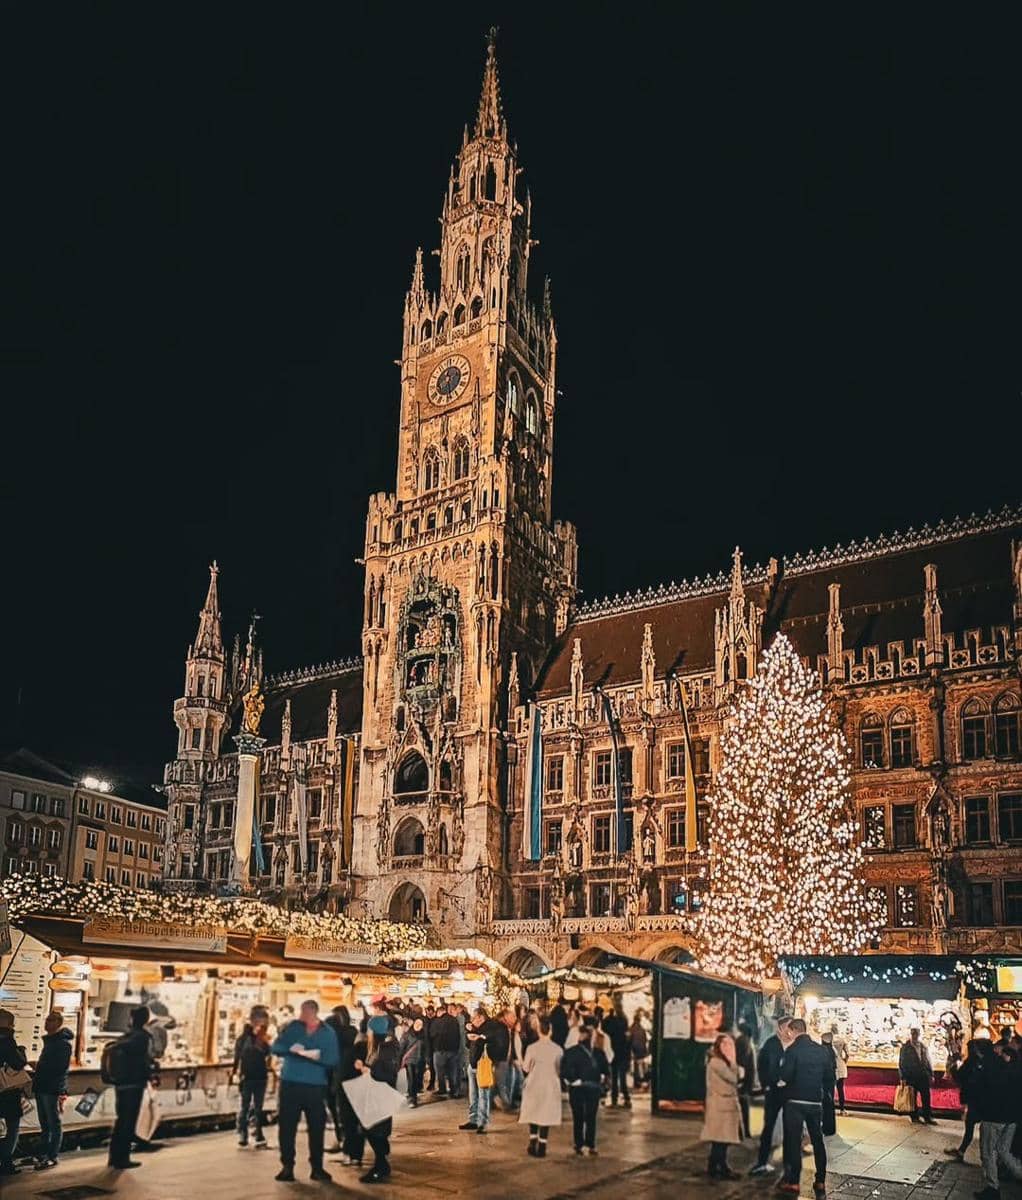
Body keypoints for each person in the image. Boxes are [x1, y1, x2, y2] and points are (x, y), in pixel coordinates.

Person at [270, 998, 339, 1184]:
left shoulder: (328, 1033)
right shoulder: (293, 1028)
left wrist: (312, 1055)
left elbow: (332, 1059)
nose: (302, 1016)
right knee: (286, 1127)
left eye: (305, 1013)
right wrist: (293, 1049)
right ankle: (287, 1167)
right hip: (290, 1083)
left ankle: (317, 1168)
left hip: (315, 1085)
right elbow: (276, 1047)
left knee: (317, 1127)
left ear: (313, 1013)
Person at [957, 1037, 1022, 1200]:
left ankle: (993, 1187)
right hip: (1011, 1116)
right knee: (1003, 1150)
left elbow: (978, 1087)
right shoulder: (1009, 1064)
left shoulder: (986, 1065)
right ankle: (1019, 1173)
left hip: (994, 1115)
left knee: (988, 1152)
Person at [775, 1018, 833, 1198]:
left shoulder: (792, 1050)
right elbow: (830, 1076)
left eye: (789, 1032)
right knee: (818, 1141)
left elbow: (785, 1075)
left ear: (793, 1031)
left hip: (795, 1103)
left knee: (793, 1142)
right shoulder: (822, 1051)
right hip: (815, 1103)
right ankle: (821, 1180)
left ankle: (793, 1182)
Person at [349, 1016, 401, 1184]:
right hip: (375, 1095)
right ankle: (381, 1163)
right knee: (371, 1130)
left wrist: (366, 1070)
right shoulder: (379, 1048)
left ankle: (381, 1166)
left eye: (370, 1030)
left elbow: (387, 1074)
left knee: (373, 1130)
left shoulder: (386, 1049)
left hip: (381, 1095)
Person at [107, 1005, 155, 1171]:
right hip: (134, 1084)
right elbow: (144, 1062)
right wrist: (150, 1074)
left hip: (120, 1084)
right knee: (128, 1122)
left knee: (121, 1121)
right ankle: (123, 1158)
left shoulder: (124, 1037)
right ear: (146, 1019)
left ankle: (114, 1157)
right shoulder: (142, 1038)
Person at [30, 1011, 73, 1170]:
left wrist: (38, 1066)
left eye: (50, 1020)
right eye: (46, 1019)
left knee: (53, 1123)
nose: (46, 1022)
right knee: (45, 1124)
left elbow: (60, 1068)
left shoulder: (63, 1044)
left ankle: (52, 1156)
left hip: (52, 1088)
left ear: (58, 1022)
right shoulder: (50, 1042)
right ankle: (43, 1154)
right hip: (42, 1086)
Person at [750, 1016, 792, 1176]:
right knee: (768, 1127)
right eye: (788, 1027)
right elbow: (761, 1065)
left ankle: (789, 1164)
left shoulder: (795, 1044)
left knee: (790, 1129)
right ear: (780, 1028)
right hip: (773, 1092)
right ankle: (762, 1162)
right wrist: (767, 1084)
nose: (790, 1030)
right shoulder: (771, 1044)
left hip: (790, 1092)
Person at [562, 1021, 609, 1155]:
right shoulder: (599, 1053)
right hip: (593, 1087)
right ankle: (590, 1144)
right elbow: (605, 1069)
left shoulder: (571, 1052)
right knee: (591, 1116)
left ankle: (579, 1144)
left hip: (577, 1088)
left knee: (578, 1117)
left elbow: (564, 1070)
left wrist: (573, 1080)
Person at [700, 1033, 744, 1180]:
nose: (728, 1047)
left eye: (730, 1044)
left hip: (725, 1106)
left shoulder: (721, 1061)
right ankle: (718, 1168)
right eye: (724, 1044)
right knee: (720, 1140)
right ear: (718, 1046)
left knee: (722, 1141)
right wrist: (733, 1061)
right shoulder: (717, 1063)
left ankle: (716, 1167)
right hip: (720, 1106)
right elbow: (734, 1078)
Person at [519, 1017, 563, 1158]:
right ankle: (542, 1145)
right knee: (546, 1113)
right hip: (550, 1083)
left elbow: (526, 1068)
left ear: (538, 1030)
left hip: (534, 1082)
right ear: (550, 1031)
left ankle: (533, 1141)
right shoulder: (557, 1049)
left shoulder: (532, 1048)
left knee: (534, 1111)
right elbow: (559, 1069)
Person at [461, 1006, 507, 1134]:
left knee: (483, 1095)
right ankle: (473, 1119)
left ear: (481, 1017)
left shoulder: (492, 1026)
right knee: (473, 1094)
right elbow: (468, 1044)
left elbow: (491, 1037)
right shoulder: (476, 1028)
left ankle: (483, 1123)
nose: (472, 1020)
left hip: (483, 1065)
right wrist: (469, 1033)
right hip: (473, 1064)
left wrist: (480, 1037)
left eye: (474, 1018)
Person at [233, 1012, 271, 1149]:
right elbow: (267, 1053)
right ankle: (258, 1134)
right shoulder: (260, 1040)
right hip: (260, 1076)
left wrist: (234, 1074)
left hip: (247, 1077)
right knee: (258, 1108)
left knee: (244, 1106)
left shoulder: (241, 1040)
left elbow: (236, 1058)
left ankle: (243, 1135)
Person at [0, 1009, 28, 1176]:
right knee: (13, 1127)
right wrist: (22, 1052)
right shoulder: (8, 1040)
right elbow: (17, 1063)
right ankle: (6, 1162)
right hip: (8, 1091)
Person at [325, 1005, 355, 1152]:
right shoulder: (352, 1033)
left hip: (337, 1080)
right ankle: (345, 1143)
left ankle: (346, 1144)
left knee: (342, 1114)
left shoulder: (336, 1037)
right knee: (343, 1114)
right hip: (341, 1079)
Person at [899, 1027, 937, 1125]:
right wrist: (902, 1077)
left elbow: (928, 1060)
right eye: (913, 1034)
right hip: (911, 1076)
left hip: (923, 1075)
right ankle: (914, 1116)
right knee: (913, 1097)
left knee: (926, 1097)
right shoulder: (905, 1047)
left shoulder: (923, 1046)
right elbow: (902, 1063)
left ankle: (927, 1116)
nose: (915, 1036)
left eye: (916, 1034)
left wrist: (931, 1073)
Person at [602, 1003, 632, 1108]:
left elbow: (604, 1028)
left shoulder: (610, 1026)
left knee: (614, 1077)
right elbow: (628, 1042)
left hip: (614, 1054)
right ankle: (626, 1098)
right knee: (622, 1077)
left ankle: (615, 1100)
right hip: (623, 1054)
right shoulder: (624, 1024)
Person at [431, 1002, 461, 1099]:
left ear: (440, 1012)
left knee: (440, 1072)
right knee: (453, 1071)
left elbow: (432, 1035)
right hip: (453, 1050)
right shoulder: (454, 1020)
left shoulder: (436, 1021)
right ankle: (454, 1091)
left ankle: (442, 1088)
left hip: (439, 1050)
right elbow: (458, 1035)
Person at [735, 1021, 756, 1139]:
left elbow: (740, 1061)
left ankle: (740, 1133)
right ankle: (746, 1131)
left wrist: (739, 1080)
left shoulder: (741, 1041)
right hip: (748, 1079)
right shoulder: (749, 1042)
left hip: (742, 1080)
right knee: (745, 1107)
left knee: (738, 1107)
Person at [399, 1017, 425, 1107]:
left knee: (418, 1078)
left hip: (421, 1060)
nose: (418, 1026)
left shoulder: (424, 1035)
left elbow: (427, 1047)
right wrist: (399, 1061)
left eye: (420, 1024)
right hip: (410, 1060)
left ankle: (414, 1095)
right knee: (411, 1079)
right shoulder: (407, 1035)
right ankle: (412, 1099)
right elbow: (401, 1048)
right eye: (417, 1024)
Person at [830, 1025, 849, 1115]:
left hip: (832, 1066)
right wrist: (845, 1061)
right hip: (841, 1065)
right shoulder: (842, 1039)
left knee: (831, 1089)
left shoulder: (829, 1040)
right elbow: (847, 1054)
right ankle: (842, 1109)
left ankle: (830, 1108)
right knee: (840, 1088)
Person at [630, 1011, 650, 1090]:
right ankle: (641, 1081)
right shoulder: (642, 1029)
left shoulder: (632, 1028)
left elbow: (629, 1040)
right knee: (641, 1067)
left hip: (635, 1050)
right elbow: (645, 1040)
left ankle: (637, 1082)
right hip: (642, 1050)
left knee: (636, 1067)